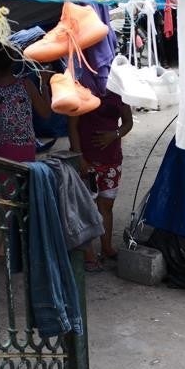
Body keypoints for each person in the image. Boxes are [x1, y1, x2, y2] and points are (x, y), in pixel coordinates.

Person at [68, 90, 132, 272]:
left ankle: (106, 248)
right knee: (87, 206)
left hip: (112, 160)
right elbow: (72, 125)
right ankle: (88, 255)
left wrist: (115, 134)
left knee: (106, 206)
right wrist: (79, 157)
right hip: (87, 161)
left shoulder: (119, 90)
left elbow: (128, 122)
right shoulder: (81, 89)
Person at [0, 40, 52, 163]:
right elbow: (46, 113)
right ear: (13, 60)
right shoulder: (26, 85)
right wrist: (43, 83)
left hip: (1, 153)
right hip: (26, 150)